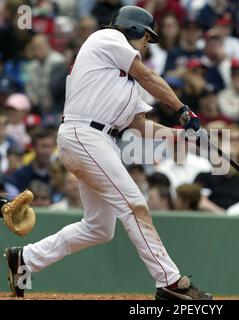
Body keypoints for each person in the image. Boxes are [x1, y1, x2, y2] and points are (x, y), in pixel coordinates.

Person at [3, 6, 211, 300]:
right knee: (134, 203)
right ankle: (170, 282)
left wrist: (185, 136)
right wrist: (182, 109)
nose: (146, 44)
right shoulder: (108, 37)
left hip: (96, 140)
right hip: (85, 135)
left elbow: (140, 126)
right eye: (146, 37)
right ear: (133, 29)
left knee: (100, 228)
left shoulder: (120, 80)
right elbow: (149, 76)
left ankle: (26, 259)